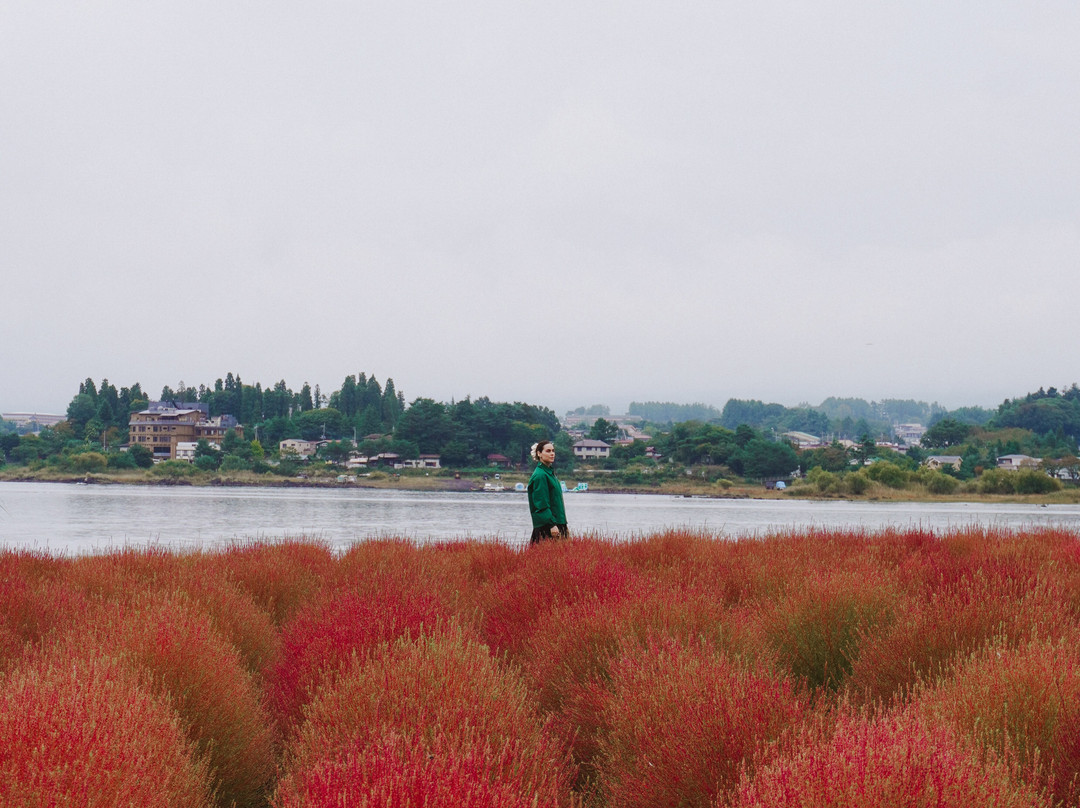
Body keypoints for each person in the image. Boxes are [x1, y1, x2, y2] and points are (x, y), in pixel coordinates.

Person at [527, 440, 568, 544]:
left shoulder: (550, 473)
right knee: (542, 558)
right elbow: (541, 505)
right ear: (539, 453)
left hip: (558, 523)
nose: (552, 453)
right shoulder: (540, 475)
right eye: (548, 451)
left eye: (553, 451)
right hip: (547, 527)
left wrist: (564, 525)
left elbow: (556, 503)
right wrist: (552, 525)